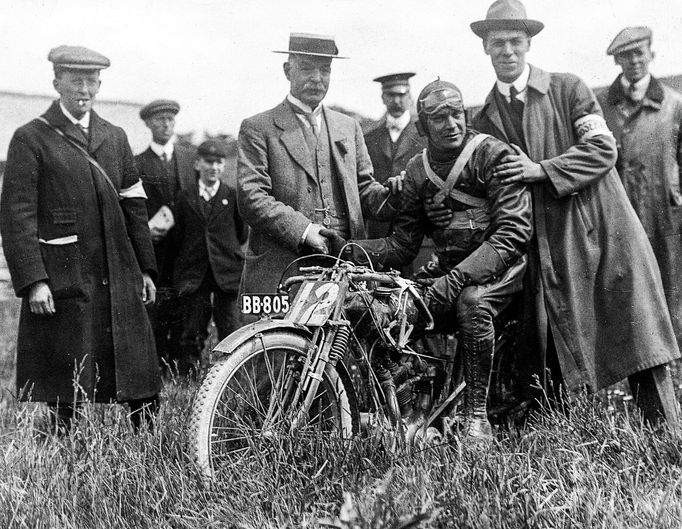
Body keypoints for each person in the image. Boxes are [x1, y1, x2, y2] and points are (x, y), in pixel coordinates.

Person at [459, 0, 680, 426]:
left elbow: (602, 150)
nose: (507, 51)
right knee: (552, 334)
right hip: (542, 240)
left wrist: (540, 170)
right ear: (485, 48)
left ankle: (665, 434)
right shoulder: (483, 117)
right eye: (498, 43)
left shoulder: (568, 89)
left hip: (600, 226)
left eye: (516, 42)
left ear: (529, 45)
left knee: (636, 328)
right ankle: (561, 434)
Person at [326, 80, 533, 442]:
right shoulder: (418, 170)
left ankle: (476, 418)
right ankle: (407, 409)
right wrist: (349, 249)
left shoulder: (492, 155)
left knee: (472, 303)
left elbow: (513, 233)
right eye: (439, 118)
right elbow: (402, 244)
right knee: (371, 309)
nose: (451, 124)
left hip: (501, 269)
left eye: (456, 114)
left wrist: (453, 282)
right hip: (450, 268)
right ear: (423, 127)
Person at [0, 45, 161, 430]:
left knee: (134, 360)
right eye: (75, 81)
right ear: (57, 83)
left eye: (91, 81)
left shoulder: (115, 136)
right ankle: (62, 437)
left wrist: (146, 269)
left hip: (118, 269)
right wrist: (34, 281)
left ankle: (144, 439)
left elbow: (134, 206)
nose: (83, 90)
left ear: (100, 84)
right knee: (66, 369)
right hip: (65, 272)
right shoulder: (31, 138)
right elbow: (17, 216)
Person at [237, 33, 403, 298]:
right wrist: (303, 231)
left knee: (343, 339)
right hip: (283, 270)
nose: (317, 78)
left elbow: (363, 190)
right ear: (287, 70)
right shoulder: (258, 128)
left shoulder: (348, 127)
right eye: (306, 68)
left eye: (325, 70)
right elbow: (252, 197)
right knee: (282, 340)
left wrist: (391, 196)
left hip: (344, 269)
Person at [598, 27, 682, 345]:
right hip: (620, 212)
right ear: (617, 60)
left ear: (651, 54)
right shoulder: (603, 106)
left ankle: (672, 356)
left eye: (639, 52)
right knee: (626, 282)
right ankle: (631, 353)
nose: (634, 60)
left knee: (670, 281)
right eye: (626, 55)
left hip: (665, 212)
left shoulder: (675, 105)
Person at [172, 139, 247, 375]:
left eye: (218, 162)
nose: (213, 167)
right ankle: (189, 375)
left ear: (223, 166)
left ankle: (229, 375)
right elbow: (178, 236)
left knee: (231, 328)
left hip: (226, 274)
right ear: (197, 164)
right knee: (193, 329)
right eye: (208, 162)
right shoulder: (185, 197)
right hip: (196, 274)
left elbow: (241, 233)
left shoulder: (232, 196)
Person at [135, 99, 197, 373]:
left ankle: (182, 361)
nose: (165, 124)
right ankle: (158, 361)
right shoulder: (138, 163)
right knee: (158, 303)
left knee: (185, 302)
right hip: (155, 249)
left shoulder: (189, 159)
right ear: (148, 124)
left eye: (170, 119)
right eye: (159, 119)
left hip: (184, 248)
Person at [364, 72, 427, 240]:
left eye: (401, 95)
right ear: (383, 98)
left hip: (417, 227)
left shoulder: (425, 136)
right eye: (391, 95)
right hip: (379, 229)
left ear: (410, 97)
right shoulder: (368, 139)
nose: (397, 101)